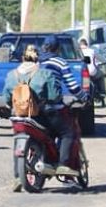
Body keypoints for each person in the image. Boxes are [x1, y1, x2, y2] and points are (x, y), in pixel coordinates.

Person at [0, 44, 56, 191]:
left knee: (17, 143)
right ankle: (52, 163)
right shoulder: (45, 74)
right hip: (38, 117)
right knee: (55, 131)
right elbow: (54, 96)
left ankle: (18, 178)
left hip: (18, 118)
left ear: (22, 57)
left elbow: (6, 98)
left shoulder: (12, 75)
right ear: (38, 58)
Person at [38, 35, 90, 176]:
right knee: (67, 133)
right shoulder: (60, 62)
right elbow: (72, 86)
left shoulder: (37, 62)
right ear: (58, 48)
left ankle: (47, 162)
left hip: (36, 108)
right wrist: (84, 97)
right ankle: (63, 164)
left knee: (48, 134)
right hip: (52, 107)